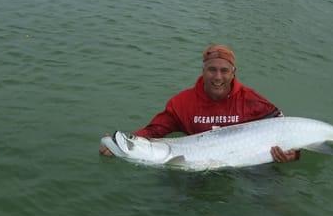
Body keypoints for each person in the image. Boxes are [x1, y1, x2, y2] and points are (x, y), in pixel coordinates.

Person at [99, 44, 300, 163]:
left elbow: (284, 127)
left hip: (247, 164)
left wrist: (294, 153)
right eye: (212, 70)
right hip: (195, 164)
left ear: (233, 73)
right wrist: (123, 144)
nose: (218, 77)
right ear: (203, 71)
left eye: (224, 71)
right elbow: (154, 131)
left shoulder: (251, 100)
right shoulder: (182, 103)